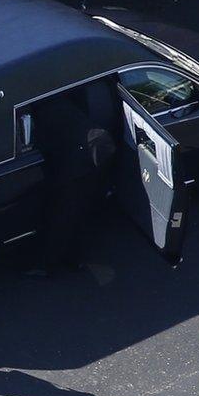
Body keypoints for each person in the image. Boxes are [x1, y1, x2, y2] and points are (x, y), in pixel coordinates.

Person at [32, 96, 115, 274]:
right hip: (82, 168)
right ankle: (74, 258)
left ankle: (48, 265)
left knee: (61, 218)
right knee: (76, 217)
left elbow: (43, 146)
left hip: (73, 170)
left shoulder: (44, 114)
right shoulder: (68, 106)